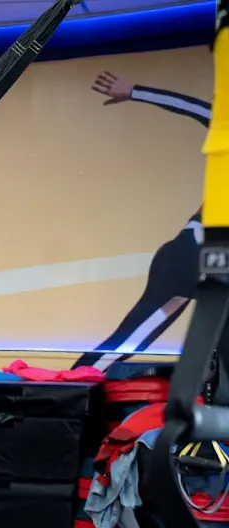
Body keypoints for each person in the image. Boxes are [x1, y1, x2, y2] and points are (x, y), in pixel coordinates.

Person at [72, 70, 208, 371]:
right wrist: (135, 91)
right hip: (196, 252)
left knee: (129, 343)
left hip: (200, 255)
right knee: (125, 343)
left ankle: (73, 383)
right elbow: (200, 110)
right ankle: (68, 386)